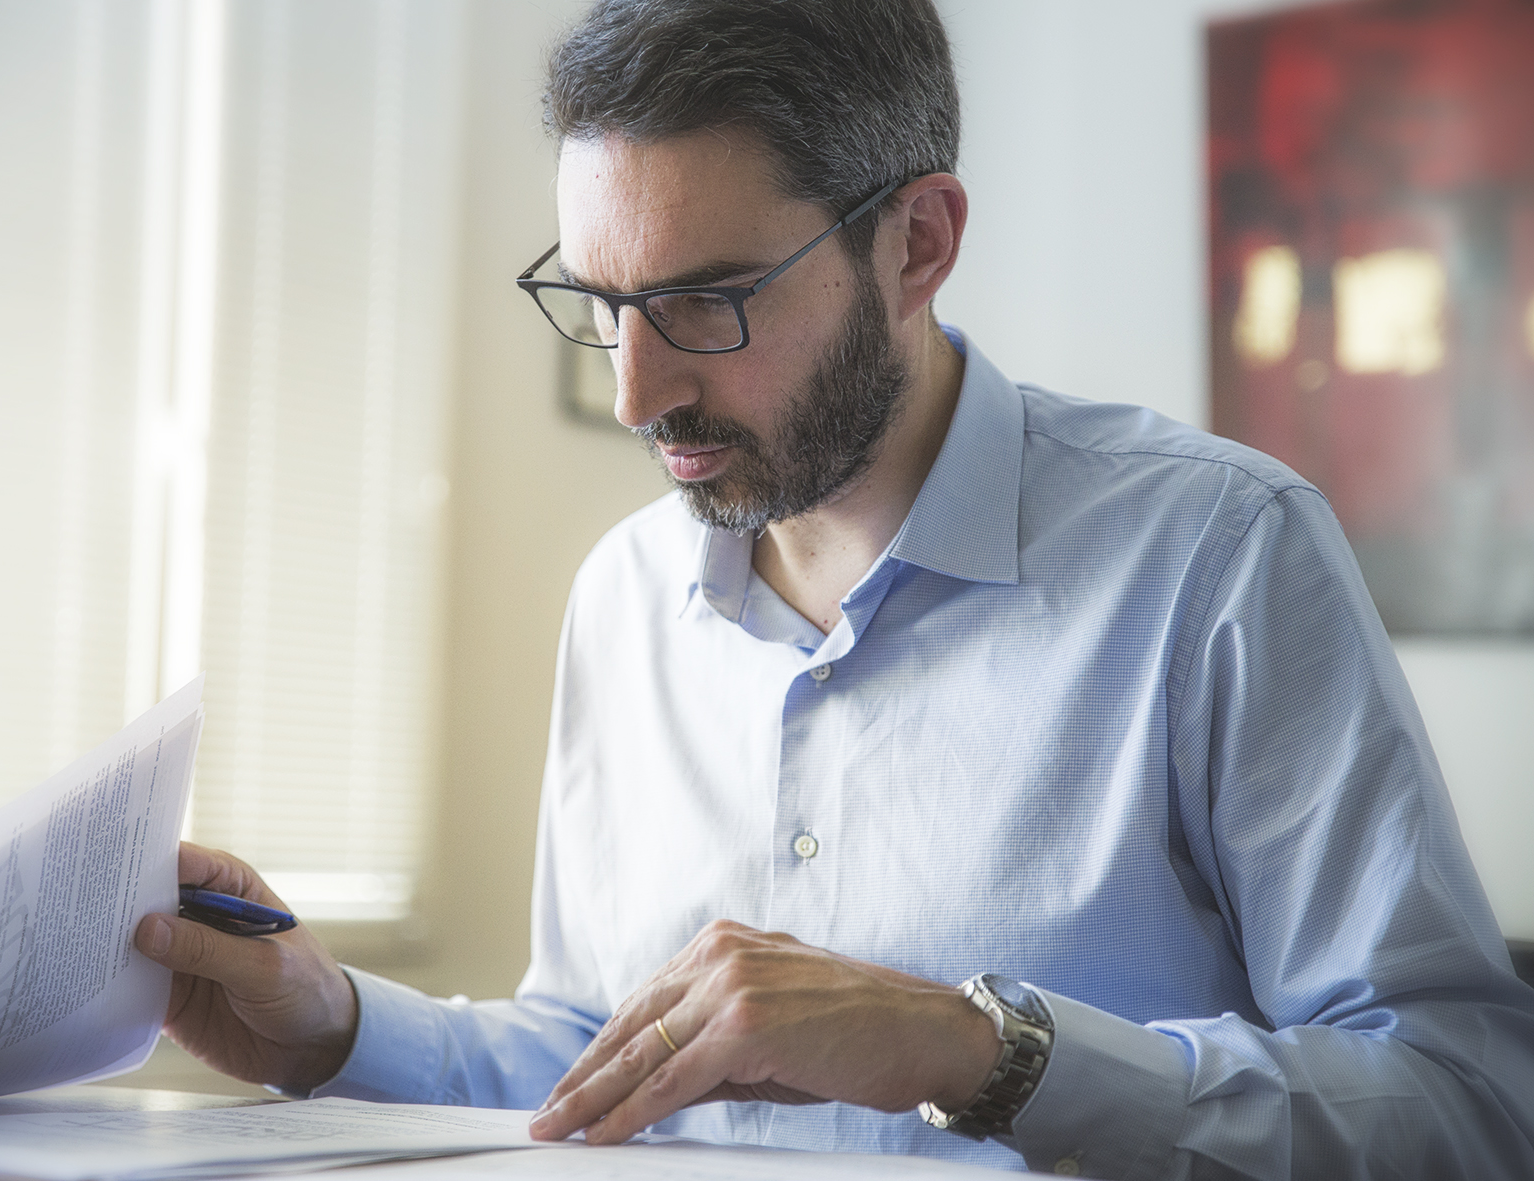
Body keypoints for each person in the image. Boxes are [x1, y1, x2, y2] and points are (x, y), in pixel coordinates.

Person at [133, 0, 1534, 1174]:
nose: (635, 391)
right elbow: (607, 1055)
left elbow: (1467, 1104)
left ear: (918, 243)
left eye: (707, 299)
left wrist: (978, 1046)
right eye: (604, 302)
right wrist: (329, 1022)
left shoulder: (1220, 556)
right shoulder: (624, 597)